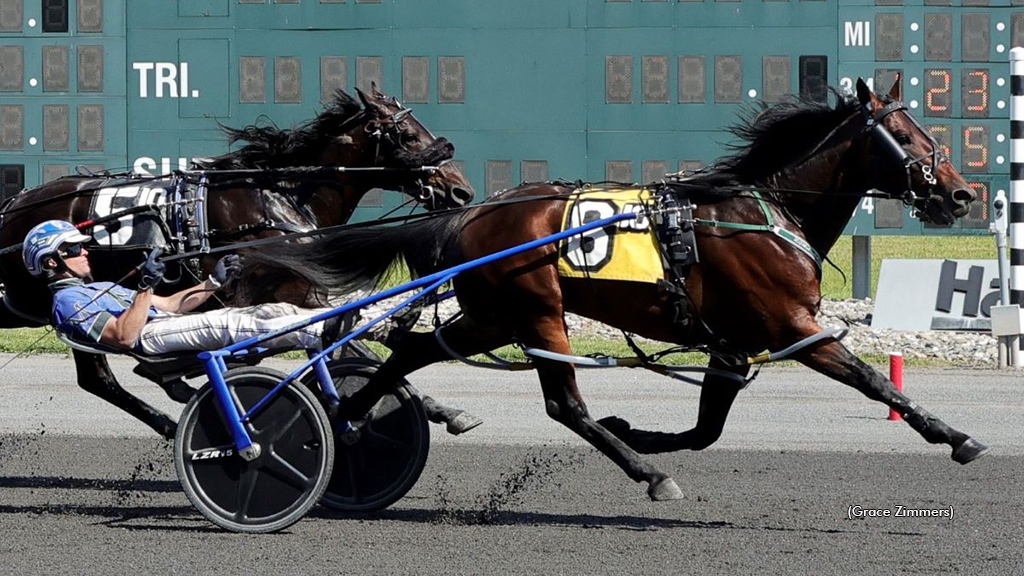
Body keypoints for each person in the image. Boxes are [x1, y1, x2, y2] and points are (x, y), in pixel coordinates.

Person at [23, 220, 342, 355]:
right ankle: (322, 331)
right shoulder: (66, 303)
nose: (85, 251)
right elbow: (124, 335)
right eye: (76, 249)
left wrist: (213, 281)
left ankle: (344, 318)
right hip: (149, 338)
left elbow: (172, 306)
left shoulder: (100, 287)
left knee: (271, 310)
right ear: (52, 262)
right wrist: (145, 287)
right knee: (232, 321)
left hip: (165, 324)